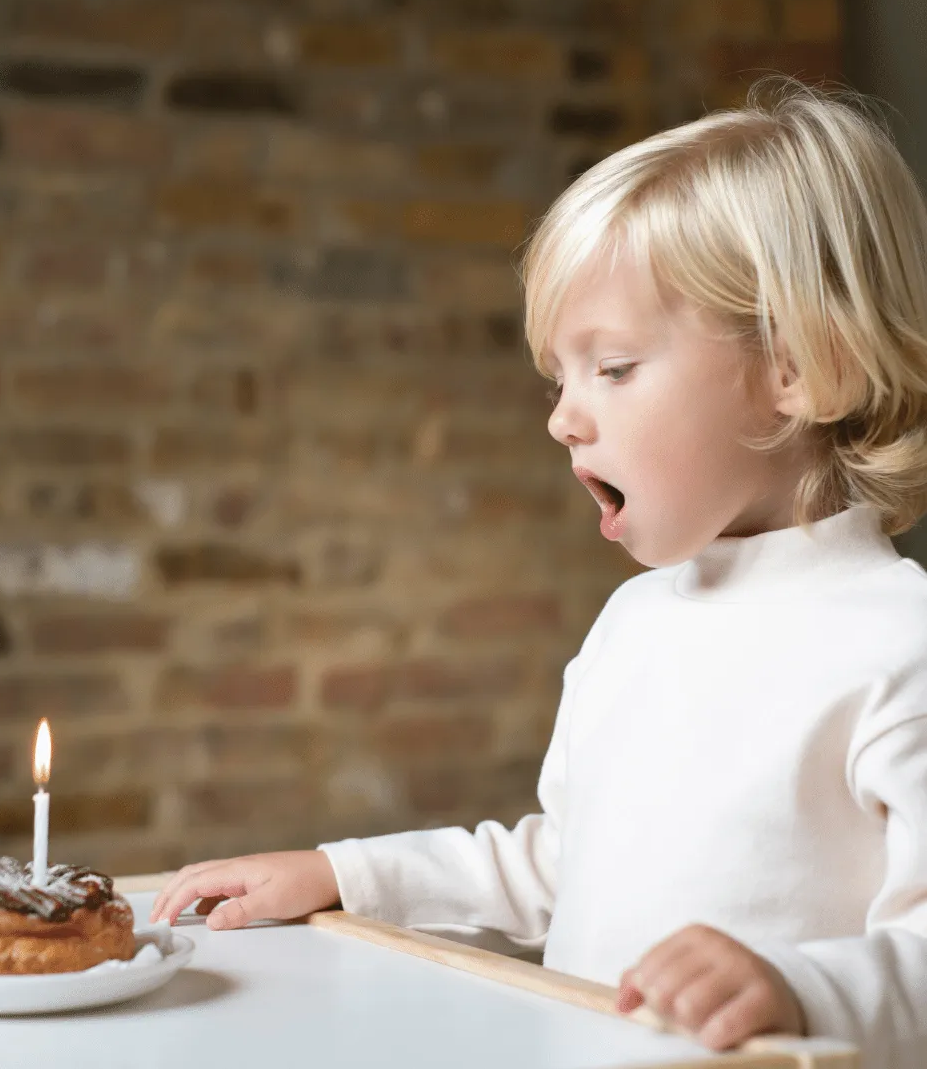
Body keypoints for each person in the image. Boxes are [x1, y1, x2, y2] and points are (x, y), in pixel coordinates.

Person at [150, 78, 927, 1067]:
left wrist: (795, 985)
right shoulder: (635, 622)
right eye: (558, 376)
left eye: (613, 369)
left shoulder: (897, 645)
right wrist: (340, 873)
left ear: (798, 369)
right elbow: (564, 865)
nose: (565, 417)